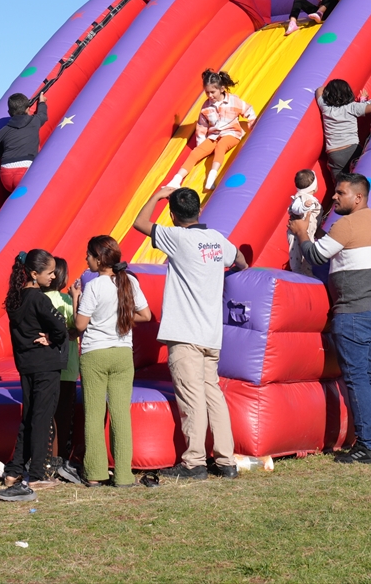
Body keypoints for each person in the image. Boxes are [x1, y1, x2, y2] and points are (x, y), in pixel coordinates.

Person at [133, 187, 246, 480]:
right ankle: (225, 460)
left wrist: (157, 195)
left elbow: (140, 223)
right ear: (200, 210)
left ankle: (194, 462)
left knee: (191, 396)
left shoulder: (178, 238)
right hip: (211, 332)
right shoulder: (216, 240)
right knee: (213, 395)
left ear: (172, 216)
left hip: (185, 333)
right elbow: (242, 261)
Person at [289, 173, 371, 464]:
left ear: (357, 198)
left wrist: (301, 233)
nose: (334, 197)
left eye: (341, 193)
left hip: (353, 312)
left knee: (357, 377)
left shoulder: (346, 224)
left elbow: (317, 256)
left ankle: (367, 446)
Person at [72, 236, 151, 487]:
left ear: (98, 259)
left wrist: (76, 297)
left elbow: (80, 325)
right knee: (120, 415)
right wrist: (123, 318)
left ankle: (95, 473)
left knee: (94, 415)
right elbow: (146, 315)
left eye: (89, 255)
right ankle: (124, 475)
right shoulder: (129, 282)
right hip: (122, 353)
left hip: (95, 353)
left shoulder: (94, 286)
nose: (86, 259)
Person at [0, 249, 68, 503]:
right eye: (50, 272)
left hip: (25, 364)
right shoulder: (39, 299)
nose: (53, 276)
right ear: (35, 274)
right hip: (45, 365)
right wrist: (53, 337)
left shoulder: (15, 299)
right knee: (42, 417)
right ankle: (37, 472)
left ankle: (14, 470)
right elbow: (60, 327)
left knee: (28, 416)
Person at [166, 69, 256, 192]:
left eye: (213, 92)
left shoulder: (233, 101)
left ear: (222, 89)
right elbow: (202, 127)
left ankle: (211, 178)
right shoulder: (205, 108)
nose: (210, 96)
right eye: (207, 93)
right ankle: (176, 180)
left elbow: (248, 110)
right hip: (214, 136)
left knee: (221, 145)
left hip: (232, 133)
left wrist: (252, 125)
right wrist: (202, 146)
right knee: (195, 153)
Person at [315, 77, 371, 184]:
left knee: (340, 186)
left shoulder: (326, 107)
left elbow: (319, 90)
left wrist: (331, 89)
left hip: (334, 153)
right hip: (352, 149)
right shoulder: (352, 107)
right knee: (358, 180)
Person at [42, 257, 80, 465]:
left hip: (46, 366)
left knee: (47, 415)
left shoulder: (39, 298)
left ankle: (47, 456)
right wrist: (75, 298)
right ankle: (60, 458)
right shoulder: (64, 301)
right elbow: (77, 326)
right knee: (63, 417)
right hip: (67, 367)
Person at [0, 91, 48, 194]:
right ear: (28, 109)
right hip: (25, 170)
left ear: (9, 113)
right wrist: (42, 102)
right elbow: (43, 115)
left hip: (6, 176)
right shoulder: (34, 121)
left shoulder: (4, 130)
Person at [287, 170, 322, 276]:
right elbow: (295, 208)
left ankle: (306, 271)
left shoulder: (311, 199)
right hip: (297, 231)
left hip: (308, 231)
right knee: (296, 252)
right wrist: (304, 207)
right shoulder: (301, 197)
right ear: (314, 186)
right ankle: (297, 270)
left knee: (307, 252)